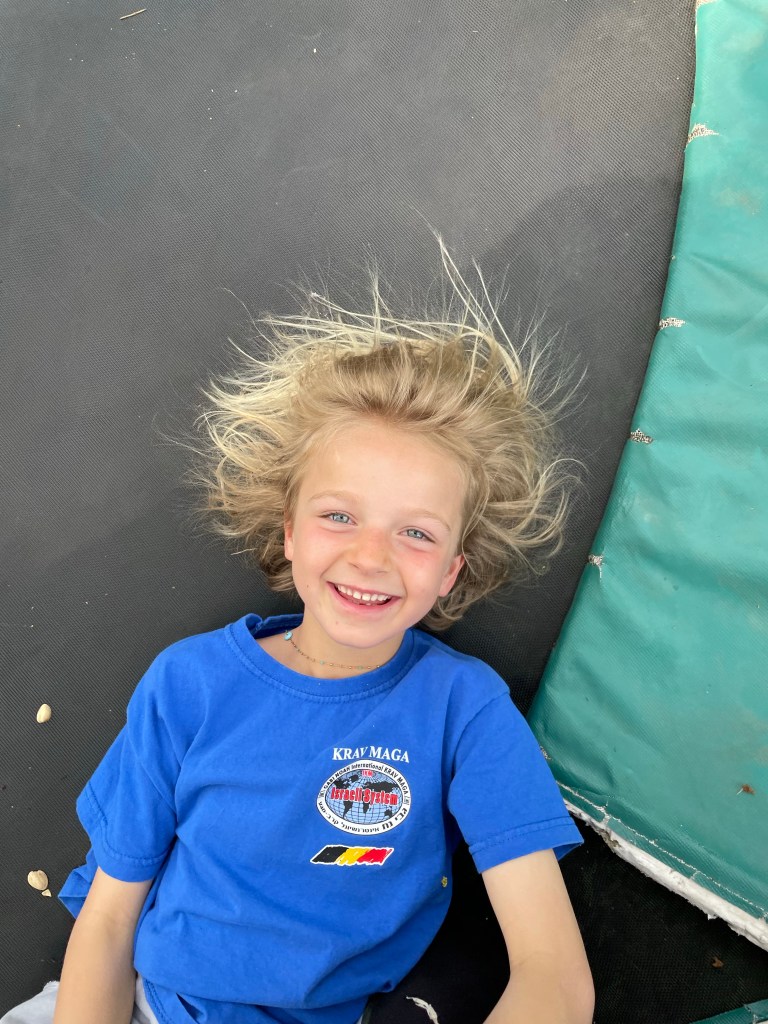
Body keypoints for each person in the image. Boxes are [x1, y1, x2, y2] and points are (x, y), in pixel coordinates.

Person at [4, 250, 594, 1024]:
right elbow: (109, 918)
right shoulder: (189, 685)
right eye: (339, 515)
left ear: (453, 569)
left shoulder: (465, 711)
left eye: (416, 532)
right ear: (290, 531)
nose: (371, 556)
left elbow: (555, 979)